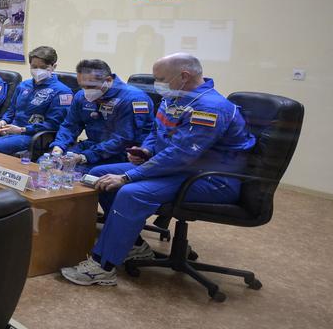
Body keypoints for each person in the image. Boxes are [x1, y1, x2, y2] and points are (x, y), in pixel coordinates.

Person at [61, 54, 256, 287]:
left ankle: (102, 267)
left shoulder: (209, 108)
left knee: (131, 192)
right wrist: (144, 151)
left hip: (210, 180)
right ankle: (134, 245)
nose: (157, 84)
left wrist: (128, 176)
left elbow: (181, 155)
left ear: (184, 76)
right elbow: (157, 133)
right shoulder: (175, 98)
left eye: (160, 79)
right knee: (101, 173)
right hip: (178, 169)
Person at [50, 59, 153, 167]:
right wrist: (59, 147)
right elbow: (70, 125)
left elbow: (123, 139)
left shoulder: (134, 99)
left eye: (90, 86)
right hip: (92, 145)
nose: (86, 91)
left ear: (108, 80)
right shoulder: (81, 96)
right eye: (82, 86)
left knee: (78, 172)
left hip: (121, 153)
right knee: (49, 163)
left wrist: (84, 157)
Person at [0, 46, 72, 155]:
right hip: (9, 127)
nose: (38, 70)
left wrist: (22, 130)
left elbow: (53, 124)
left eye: (43, 67)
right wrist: (4, 120)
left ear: (54, 66)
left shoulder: (62, 92)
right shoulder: (24, 85)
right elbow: (11, 109)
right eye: (34, 66)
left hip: (32, 135)